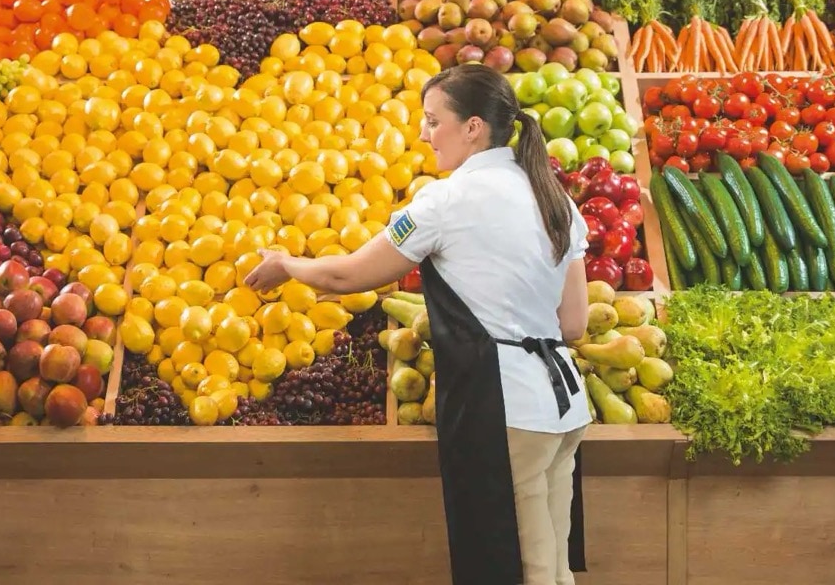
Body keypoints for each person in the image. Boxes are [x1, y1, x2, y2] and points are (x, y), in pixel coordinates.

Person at [244, 63, 591, 585]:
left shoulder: (444, 202)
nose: (423, 135)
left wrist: (286, 264)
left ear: (472, 127)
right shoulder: (556, 198)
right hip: (563, 409)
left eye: (433, 121)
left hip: (506, 411)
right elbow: (573, 324)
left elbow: (347, 273)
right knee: (553, 567)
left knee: (518, 569)